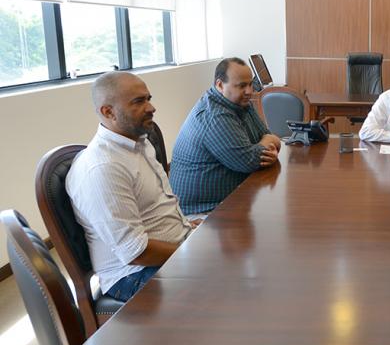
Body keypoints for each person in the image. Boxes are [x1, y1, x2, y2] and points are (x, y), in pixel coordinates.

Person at [67, 72, 198, 301]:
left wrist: (187, 228)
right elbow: (137, 253)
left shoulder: (139, 143)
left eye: (148, 98)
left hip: (169, 251)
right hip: (134, 274)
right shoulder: (103, 167)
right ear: (108, 112)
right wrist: (194, 252)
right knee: (232, 280)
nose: (151, 107)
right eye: (139, 101)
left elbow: (155, 209)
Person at [169, 57, 282, 215]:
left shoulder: (240, 103)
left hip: (231, 201)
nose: (249, 91)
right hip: (203, 212)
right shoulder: (215, 116)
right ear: (220, 85)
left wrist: (268, 143)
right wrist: (268, 143)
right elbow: (249, 161)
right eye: (242, 86)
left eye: (250, 84)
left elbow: (268, 137)